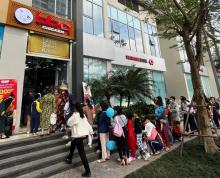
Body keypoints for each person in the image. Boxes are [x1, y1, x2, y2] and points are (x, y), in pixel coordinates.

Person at [65, 103, 92, 177]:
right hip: (81, 135)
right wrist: (91, 132)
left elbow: (69, 123)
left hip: (78, 136)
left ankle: (88, 171)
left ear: (75, 108)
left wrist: (73, 115)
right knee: (73, 145)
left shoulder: (75, 115)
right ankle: (69, 158)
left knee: (82, 154)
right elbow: (87, 124)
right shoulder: (82, 115)